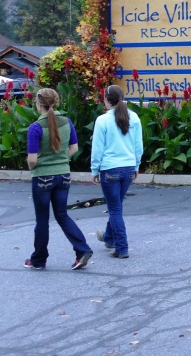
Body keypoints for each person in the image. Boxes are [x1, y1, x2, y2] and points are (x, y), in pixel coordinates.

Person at [25, 87, 93, 270]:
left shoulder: (35, 128)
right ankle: (82, 250)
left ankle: (38, 260)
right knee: (62, 215)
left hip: (42, 178)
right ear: (55, 102)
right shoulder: (67, 122)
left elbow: (32, 160)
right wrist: (61, 161)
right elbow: (74, 148)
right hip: (63, 175)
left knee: (42, 220)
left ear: (38, 104)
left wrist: (33, 167)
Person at [91, 84, 143, 259]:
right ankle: (109, 238)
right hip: (128, 168)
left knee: (114, 209)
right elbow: (138, 146)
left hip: (109, 169)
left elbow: (97, 148)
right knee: (116, 205)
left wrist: (94, 169)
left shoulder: (102, 120)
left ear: (106, 100)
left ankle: (121, 247)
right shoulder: (134, 117)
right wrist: (136, 166)